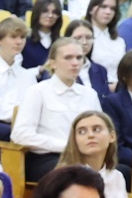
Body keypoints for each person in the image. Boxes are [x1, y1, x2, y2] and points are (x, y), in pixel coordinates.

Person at [13, 36, 101, 182]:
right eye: (68, 58)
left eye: (79, 58)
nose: (75, 63)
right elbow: (20, 134)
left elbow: (99, 129)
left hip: (84, 157)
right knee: (74, 174)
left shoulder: (89, 94)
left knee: (120, 172)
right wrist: (64, 146)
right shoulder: (38, 91)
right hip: (47, 158)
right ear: (53, 63)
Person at [0, 17, 36, 122]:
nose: (19, 42)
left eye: (22, 37)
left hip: (22, 124)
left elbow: (34, 106)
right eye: (13, 37)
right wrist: (21, 115)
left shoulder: (28, 75)